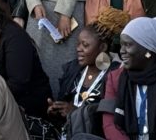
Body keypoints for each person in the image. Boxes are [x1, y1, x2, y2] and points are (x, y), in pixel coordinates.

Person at [48, 7, 128, 135]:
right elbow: (64, 107)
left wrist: (76, 112)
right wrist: (56, 111)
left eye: (85, 45)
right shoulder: (72, 69)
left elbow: (112, 120)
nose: (78, 49)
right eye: (78, 44)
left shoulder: (117, 74)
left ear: (103, 47)